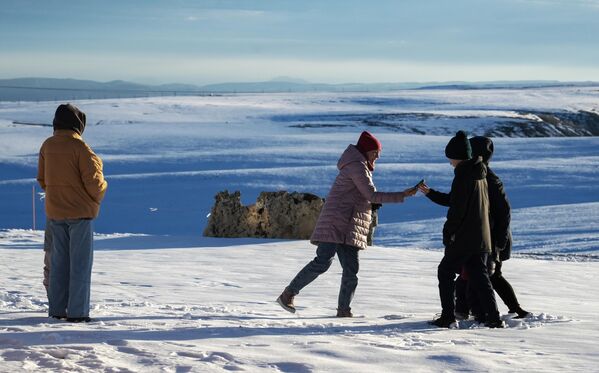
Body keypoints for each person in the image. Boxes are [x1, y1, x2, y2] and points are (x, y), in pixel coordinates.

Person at [276, 131, 417, 317]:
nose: (378, 156)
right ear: (366, 151)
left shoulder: (360, 166)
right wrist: (403, 195)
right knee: (322, 262)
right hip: (336, 222)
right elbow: (370, 194)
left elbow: (361, 196)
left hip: (348, 226)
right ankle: (288, 294)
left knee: (351, 270)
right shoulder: (356, 166)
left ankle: (344, 310)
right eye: (375, 152)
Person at [418, 130, 504, 328]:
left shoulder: (464, 175)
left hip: (465, 236)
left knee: (445, 272)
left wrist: (449, 233)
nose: (450, 162)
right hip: (481, 237)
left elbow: (457, 209)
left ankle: (448, 316)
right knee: (480, 277)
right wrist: (430, 193)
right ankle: (494, 318)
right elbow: (456, 200)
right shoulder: (479, 173)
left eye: (451, 158)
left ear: (458, 156)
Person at [37, 103, 108, 323]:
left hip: (55, 212)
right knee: (80, 265)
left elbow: (42, 180)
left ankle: (56, 310)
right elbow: (95, 183)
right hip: (80, 214)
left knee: (58, 264)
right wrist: (98, 196)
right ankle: (78, 313)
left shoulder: (47, 145)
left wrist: (57, 196)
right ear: (79, 124)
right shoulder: (82, 149)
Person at [454, 136, 531, 320]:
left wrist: (498, 244)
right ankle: (514, 310)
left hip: (490, 238)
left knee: (477, 275)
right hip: (486, 236)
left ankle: (474, 314)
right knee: (489, 275)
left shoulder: (487, 178)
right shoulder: (480, 175)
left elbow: (503, 212)